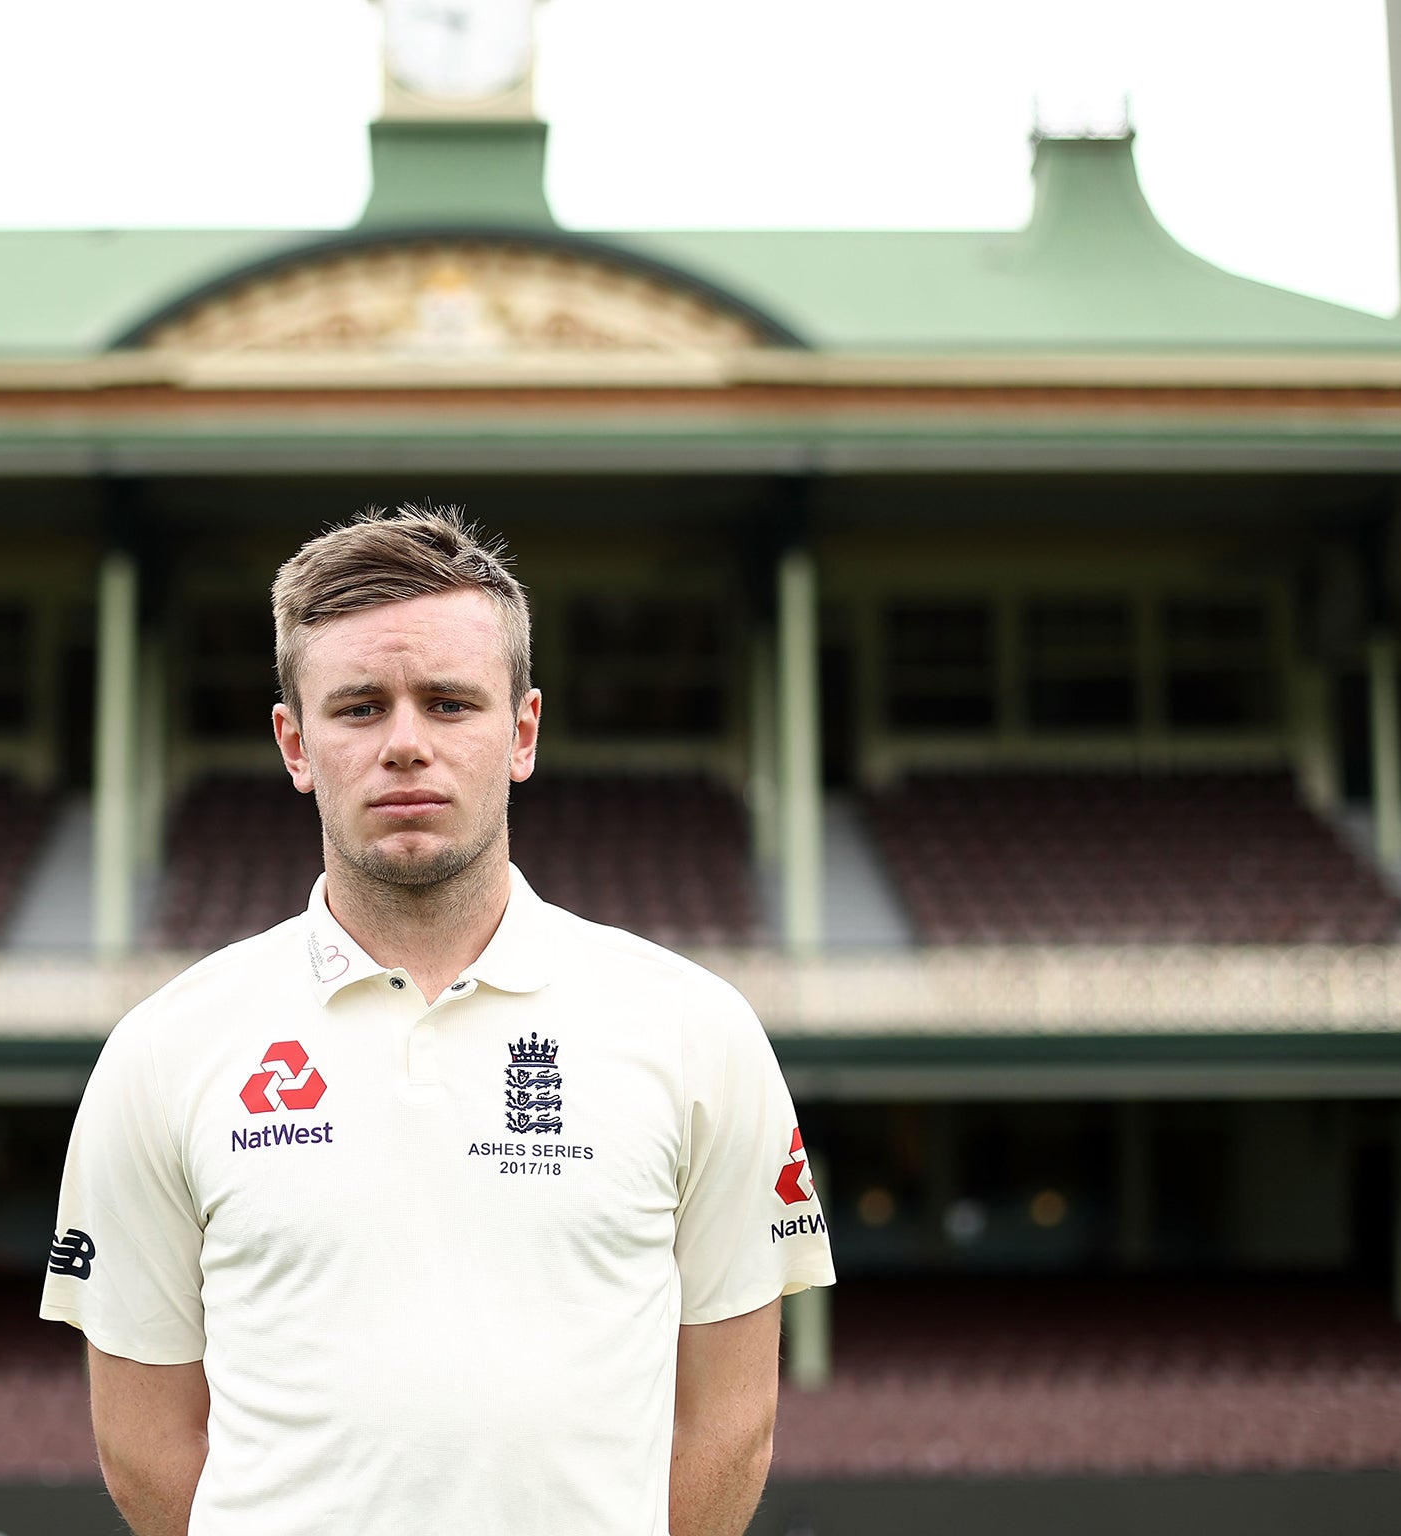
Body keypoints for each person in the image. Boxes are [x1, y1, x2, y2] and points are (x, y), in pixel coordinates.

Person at [41, 505, 834, 1536]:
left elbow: (730, 1421)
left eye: (450, 703)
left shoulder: (695, 1030)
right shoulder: (165, 1049)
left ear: (521, 732)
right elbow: (143, 1445)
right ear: (294, 742)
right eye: (360, 707)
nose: (405, 744)